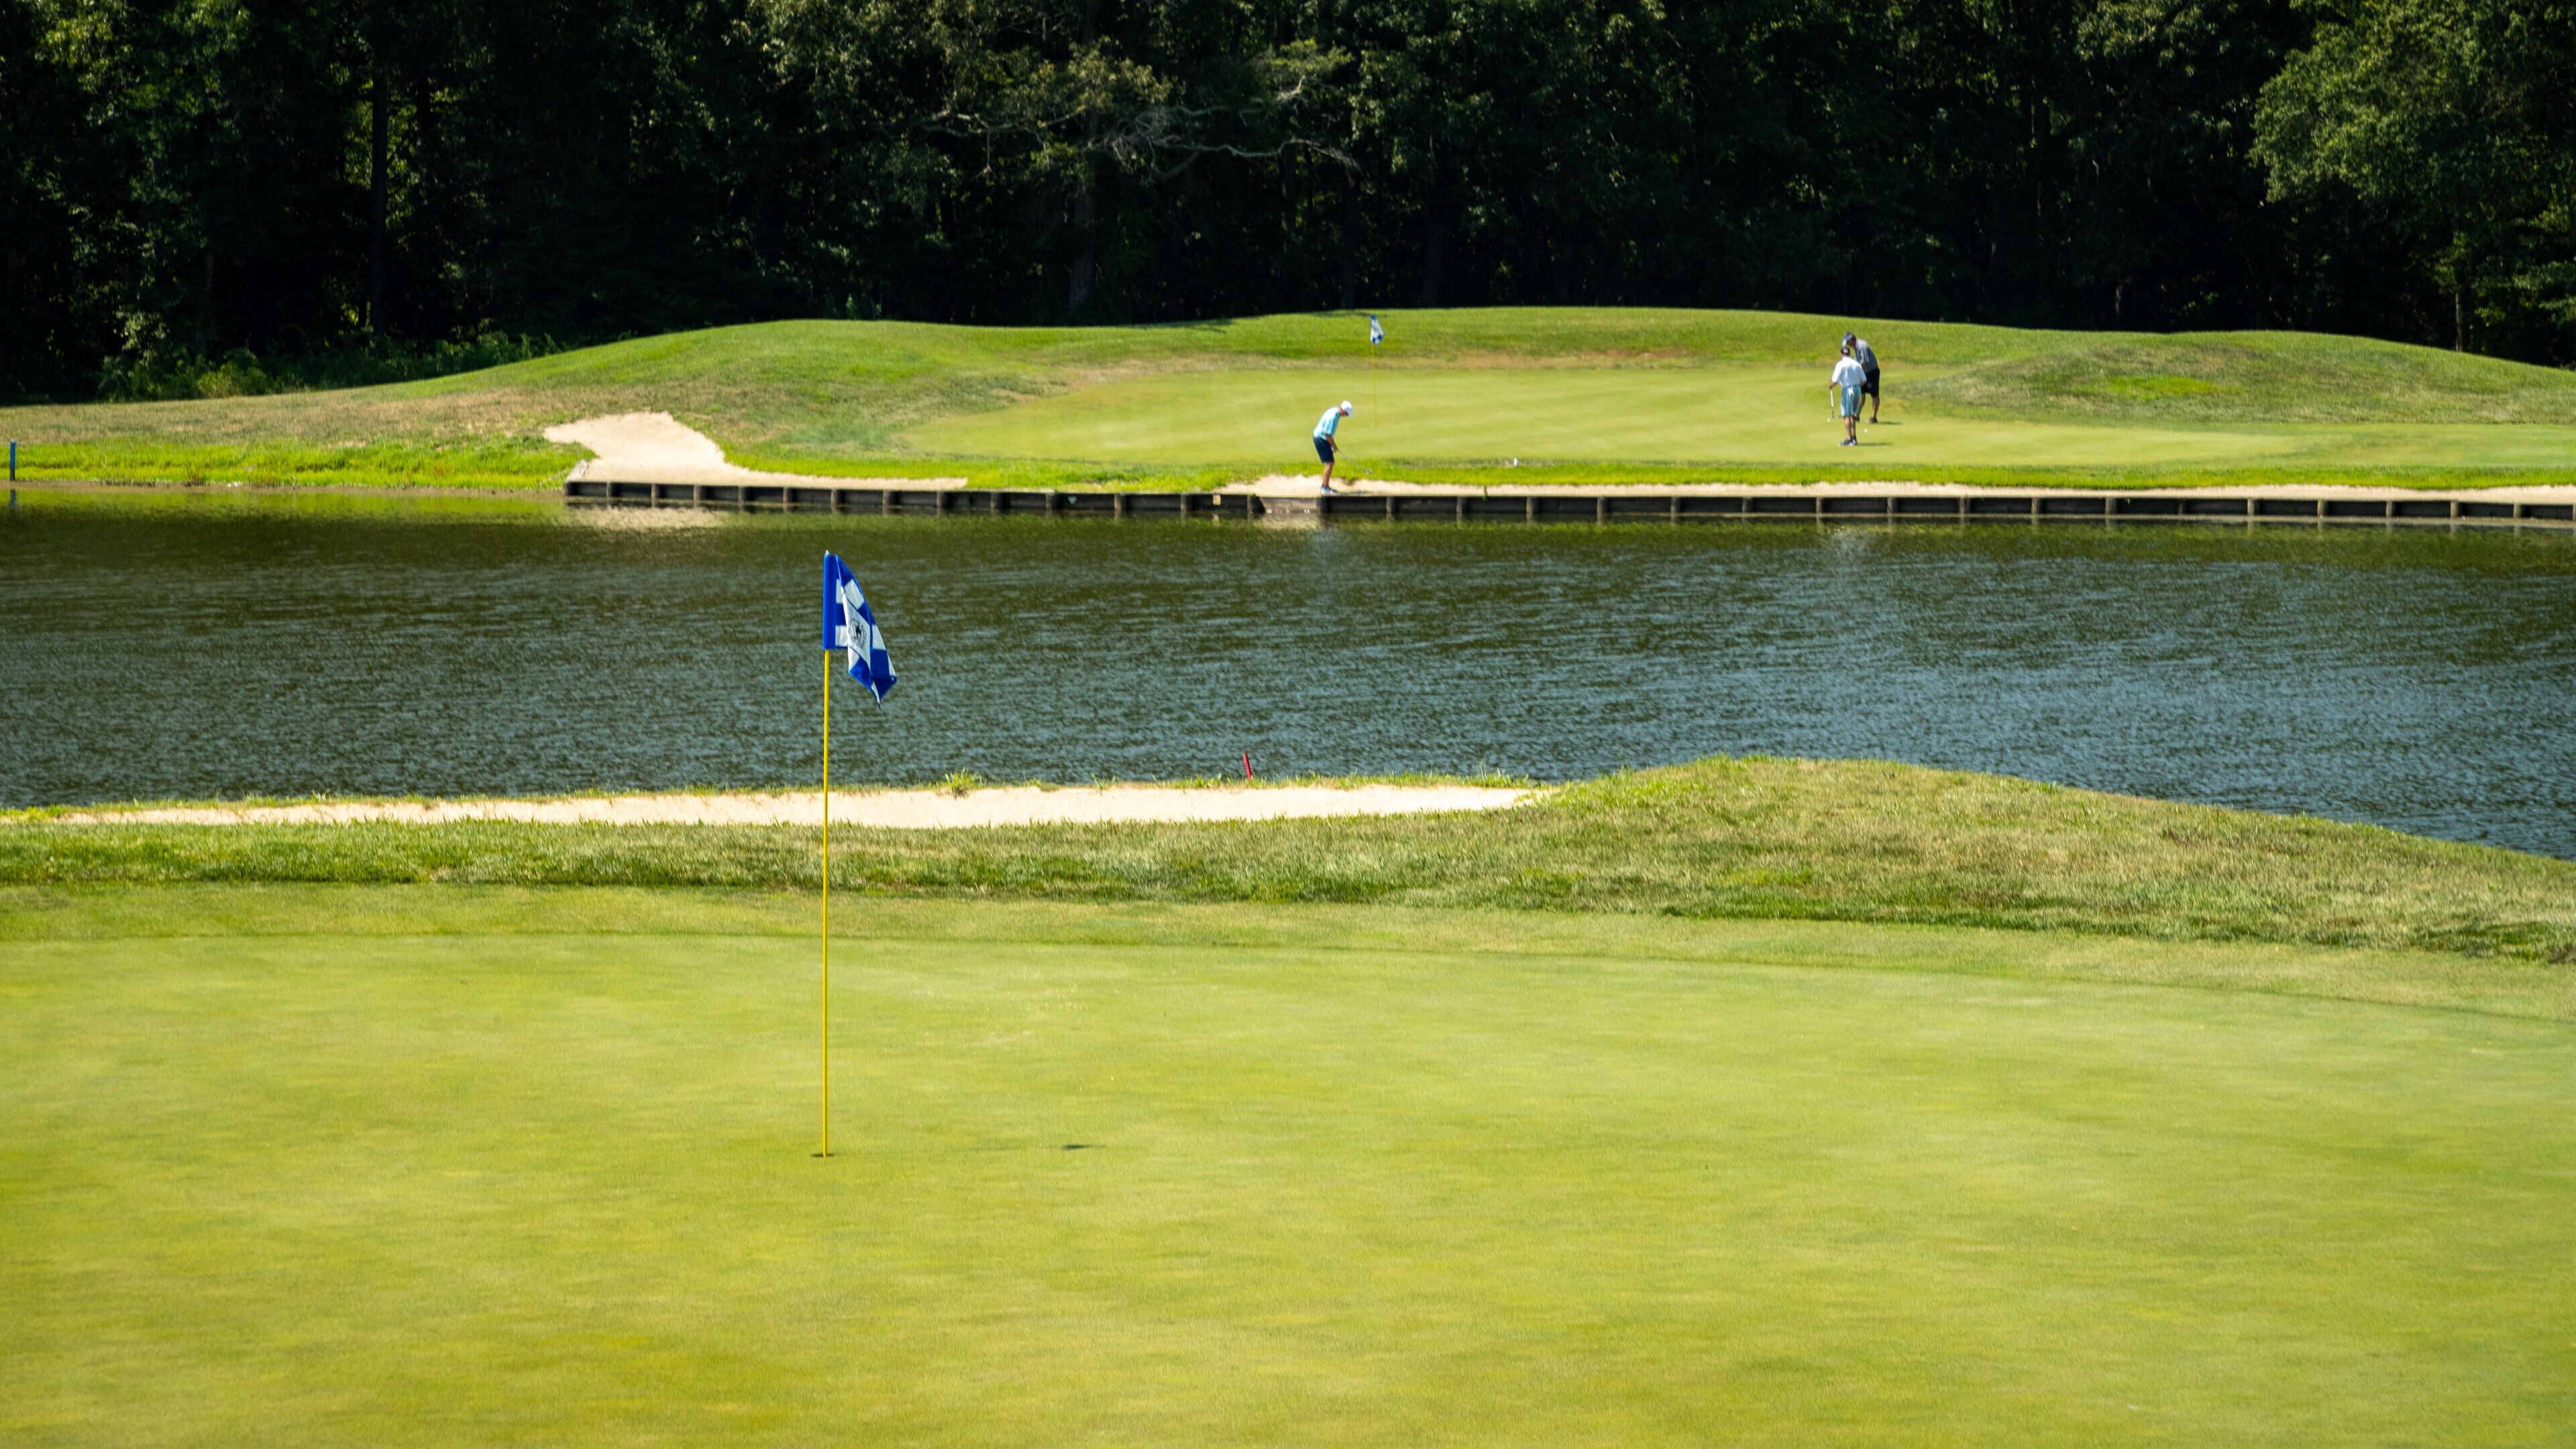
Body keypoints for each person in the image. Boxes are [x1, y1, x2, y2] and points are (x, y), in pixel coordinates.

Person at [1829, 345, 1866, 446]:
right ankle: (1854, 438)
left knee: (1846, 415)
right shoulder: (1856, 364)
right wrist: (1856, 386)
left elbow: (1835, 381)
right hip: (1857, 389)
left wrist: (1830, 385)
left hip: (1848, 390)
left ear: (1842, 355)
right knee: (1853, 415)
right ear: (1849, 354)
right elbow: (1864, 380)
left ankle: (1849, 439)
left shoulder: (1840, 364)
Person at [1313, 399, 1352, 491]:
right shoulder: (1333, 417)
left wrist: (1333, 445)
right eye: (1346, 414)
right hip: (1321, 439)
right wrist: (1334, 446)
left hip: (1322, 438)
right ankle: (1325, 487)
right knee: (1330, 463)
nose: (1346, 416)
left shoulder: (1335, 411)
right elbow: (1327, 435)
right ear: (1343, 411)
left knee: (1330, 462)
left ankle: (1325, 486)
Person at [1843, 332, 1882, 423]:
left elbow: (1865, 361)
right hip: (1863, 373)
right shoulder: (1856, 347)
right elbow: (1857, 359)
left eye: (1848, 342)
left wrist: (1854, 367)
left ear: (1852, 340)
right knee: (1862, 393)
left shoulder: (1862, 345)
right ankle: (1857, 415)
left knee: (1874, 394)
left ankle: (1874, 417)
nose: (1848, 345)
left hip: (1872, 372)